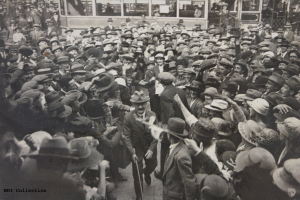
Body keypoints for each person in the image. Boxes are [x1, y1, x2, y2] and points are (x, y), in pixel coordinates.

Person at [123, 91, 158, 200]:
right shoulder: (128, 117)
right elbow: (126, 137)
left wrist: (151, 149)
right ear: (134, 105)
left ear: (147, 103)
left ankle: (147, 173)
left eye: (143, 103)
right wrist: (132, 152)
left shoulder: (152, 115)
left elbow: (156, 134)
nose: (141, 106)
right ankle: (139, 195)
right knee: (137, 173)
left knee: (153, 165)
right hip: (136, 149)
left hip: (149, 146)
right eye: (138, 104)